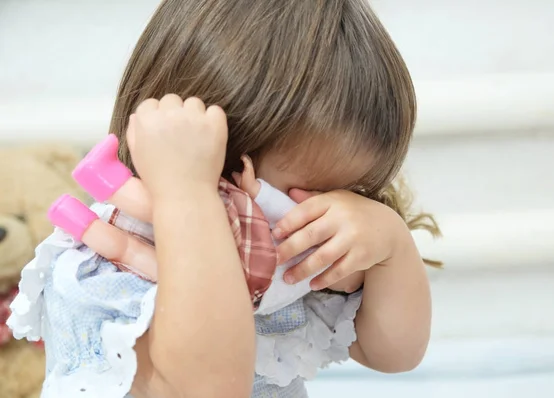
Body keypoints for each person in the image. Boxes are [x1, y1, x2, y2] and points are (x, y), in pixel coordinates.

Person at [9, 0, 441, 397]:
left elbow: (394, 354)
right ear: (217, 170)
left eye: (348, 194)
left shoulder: (281, 265)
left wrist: (391, 247)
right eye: (303, 194)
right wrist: (189, 199)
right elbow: (208, 387)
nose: (321, 213)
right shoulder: (104, 273)